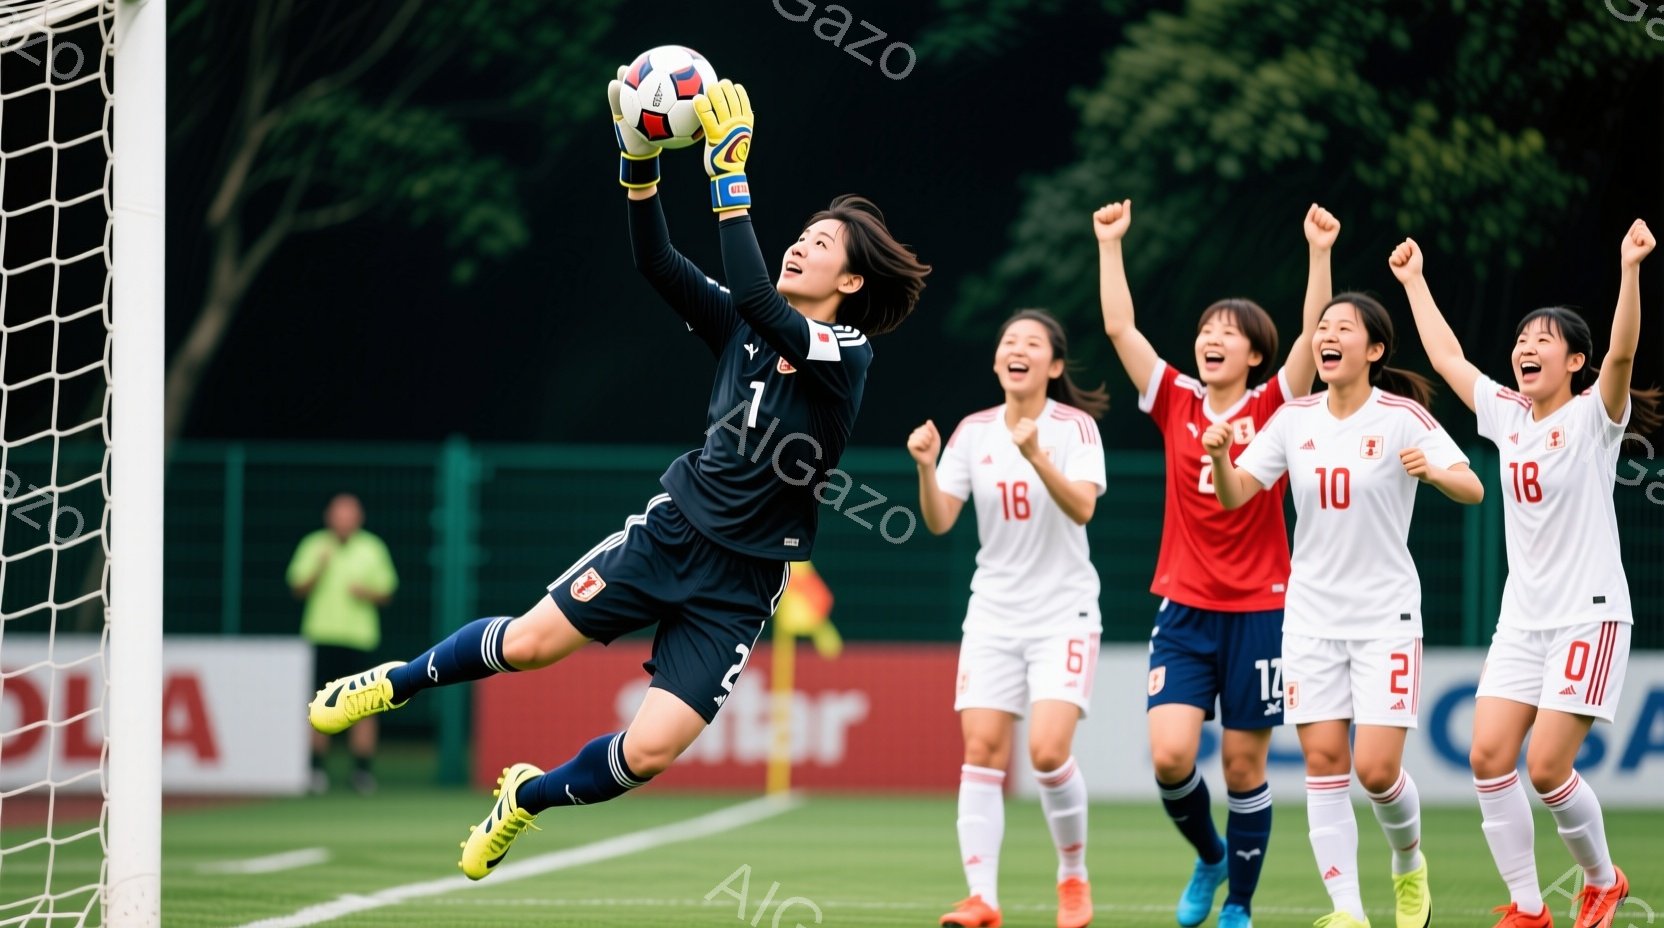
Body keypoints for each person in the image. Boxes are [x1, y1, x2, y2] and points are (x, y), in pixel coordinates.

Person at [306, 76, 929, 879]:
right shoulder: (744, 322)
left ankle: (527, 798)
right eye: (802, 234)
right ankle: (395, 683)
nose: (801, 245)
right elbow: (656, 261)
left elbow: (756, 295)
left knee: (650, 752)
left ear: (850, 283)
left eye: (822, 243)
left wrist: (729, 175)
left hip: (741, 583)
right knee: (528, 645)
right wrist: (640, 165)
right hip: (672, 534)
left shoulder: (845, 352)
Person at [1388, 222, 1659, 928]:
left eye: (1544, 339)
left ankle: (1602, 880)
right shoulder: (1508, 415)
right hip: (1523, 620)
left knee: (1545, 769)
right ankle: (1531, 908)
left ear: (1575, 361)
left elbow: (1623, 352)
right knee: (1487, 757)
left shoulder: (1596, 416)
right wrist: (1414, 280)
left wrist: (1630, 267)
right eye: (1521, 339)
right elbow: (1448, 357)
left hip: (1589, 615)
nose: (1526, 348)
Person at [1207, 292, 1484, 928]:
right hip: (1310, 619)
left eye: (1343, 328)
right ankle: (1347, 911)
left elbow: (1472, 486)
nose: (1328, 336)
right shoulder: (1293, 418)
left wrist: (1434, 473)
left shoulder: (1402, 417)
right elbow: (1235, 495)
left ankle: (1408, 864)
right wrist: (1220, 457)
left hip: (1386, 618)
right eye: (1323, 327)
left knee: (1377, 770)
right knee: (1324, 766)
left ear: (1374, 349)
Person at [1095, 199, 1334, 928]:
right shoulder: (1176, 400)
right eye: (1206, 330)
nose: (1211, 339)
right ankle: (1209, 856)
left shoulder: (1276, 405)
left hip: (1261, 611)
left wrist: (1319, 252)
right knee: (1170, 757)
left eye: (1228, 332)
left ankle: (1241, 906)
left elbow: (1313, 336)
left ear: (1255, 354)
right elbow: (1120, 328)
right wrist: (1110, 244)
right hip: (1185, 609)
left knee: (1242, 768)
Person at [910, 309, 1110, 928]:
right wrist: (926, 466)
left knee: (1047, 752)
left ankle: (1073, 875)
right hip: (993, 613)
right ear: (998, 360)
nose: (1016, 349)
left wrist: (1036, 456)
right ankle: (983, 899)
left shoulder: (1074, 428)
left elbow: (1082, 508)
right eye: (1008, 342)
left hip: (1064, 613)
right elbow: (940, 519)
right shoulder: (973, 432)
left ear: (1054, 365)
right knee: (981, 751)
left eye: (1032, 343)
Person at [285, 493, 398, 795]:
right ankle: (316, 769)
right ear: (329, 517)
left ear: (359, 519)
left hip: (360, 638)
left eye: (349, 516)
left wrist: (366, 592)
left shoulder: (372, 548)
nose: (344, 522)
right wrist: (319, 568)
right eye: (339, 515)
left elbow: (387, 591)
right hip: (321, 635)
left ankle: (361, 771)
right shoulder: (313, 545)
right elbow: (297, 587)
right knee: (318, 703)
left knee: (364, 705)